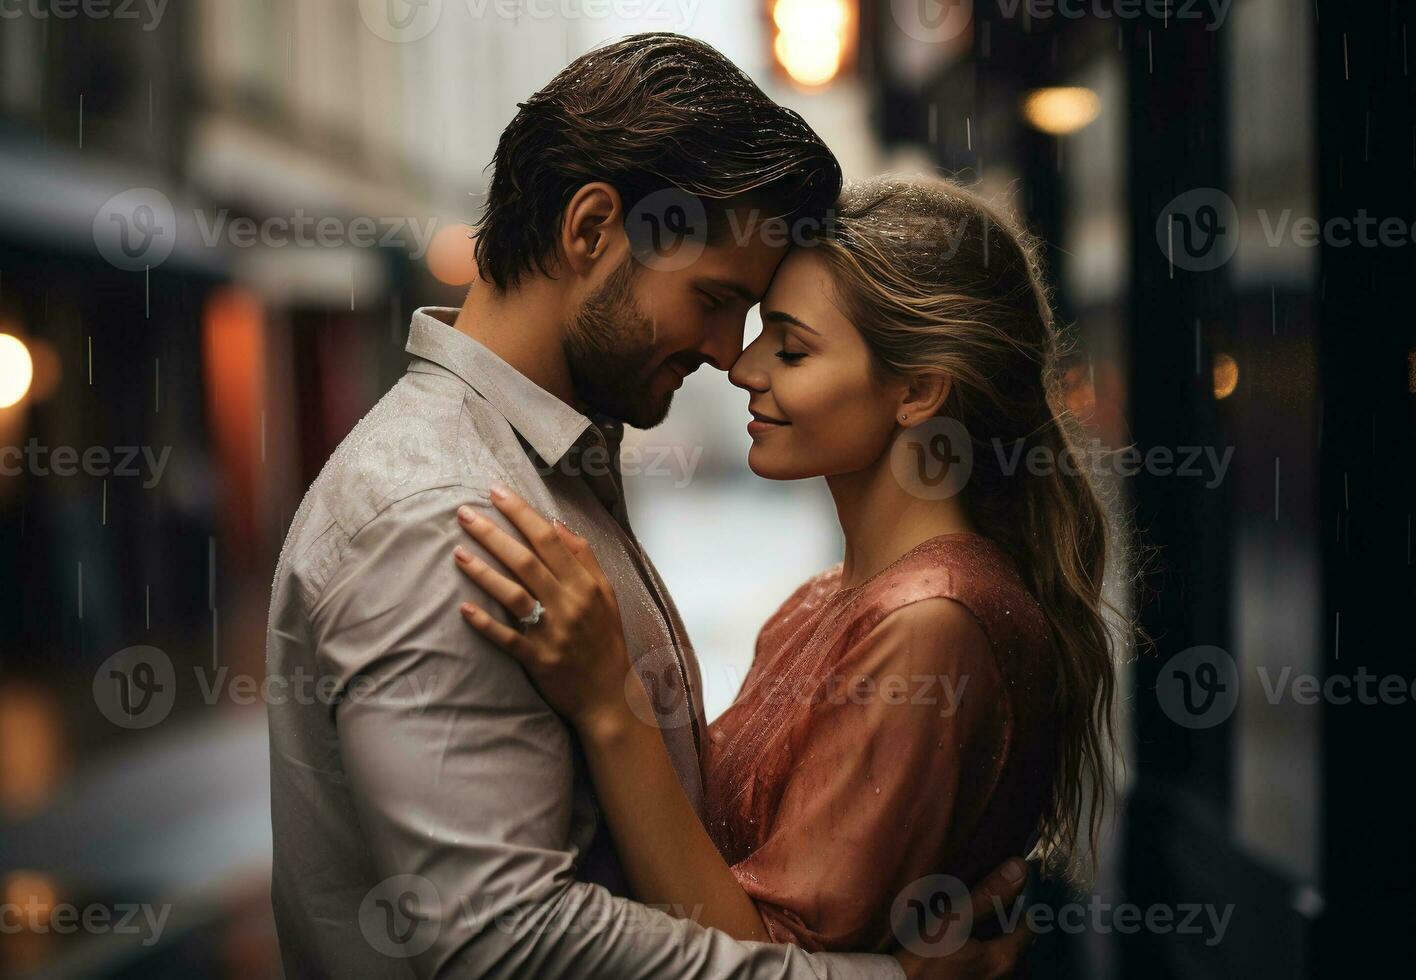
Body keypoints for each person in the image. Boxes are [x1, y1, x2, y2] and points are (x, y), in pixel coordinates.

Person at [267, 33, 1032, 979]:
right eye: (713, 299)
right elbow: (500, 941)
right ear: (591, 229)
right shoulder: (444, 516)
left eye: (763, 329)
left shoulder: (538, 471)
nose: (726, 352)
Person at [452, 175, 1119, 954]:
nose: (743, 368)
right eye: (763, 332)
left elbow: (760, 961)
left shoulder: (933, 622)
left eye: (792, 348)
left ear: (919, 391)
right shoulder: (824, 601)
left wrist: (608, 701)